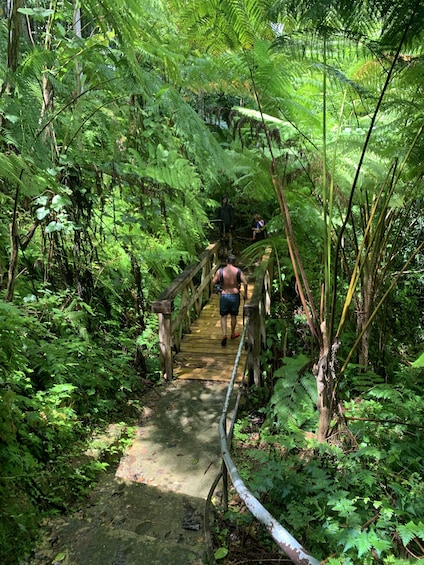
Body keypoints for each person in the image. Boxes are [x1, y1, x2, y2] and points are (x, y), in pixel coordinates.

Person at [212, 254, 248, 346]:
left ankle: (224, 334)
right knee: (233, 316)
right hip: (235, 295)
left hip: (224, 295)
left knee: (223, 316)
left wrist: (218, 287)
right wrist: (245, 294)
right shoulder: (238, 271)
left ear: (227, 261)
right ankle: (232, 333)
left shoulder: (220, 271)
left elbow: (213, 282)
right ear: (234, 262)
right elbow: (245, 282)